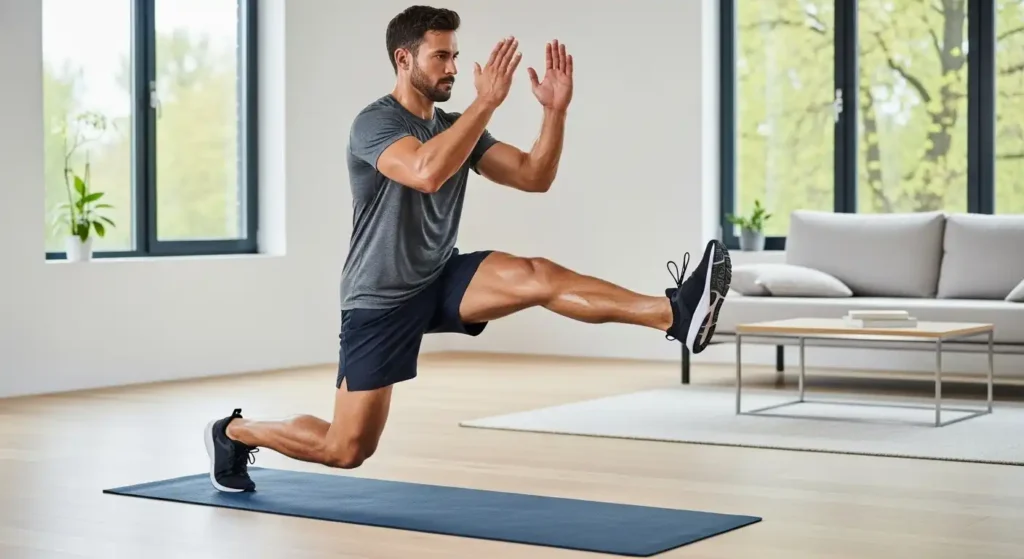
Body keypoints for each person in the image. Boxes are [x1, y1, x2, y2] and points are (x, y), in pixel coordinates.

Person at [204, 5, 731, 493]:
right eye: (441, 56)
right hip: (380, 298)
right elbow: (426, 173)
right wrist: (486, 101)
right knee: (347, 449)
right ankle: (236, 431)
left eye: (455, 55)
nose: (452, 67)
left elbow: (533, 176)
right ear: (403, 58)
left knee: (536, 274)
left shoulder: (456, 125)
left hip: (439, 276)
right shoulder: (376, 123)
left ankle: (674, 314)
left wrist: (555, 112)